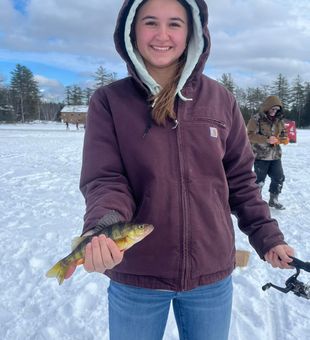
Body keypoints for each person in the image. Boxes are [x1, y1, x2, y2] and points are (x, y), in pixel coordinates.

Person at [65, 1, 294, 339]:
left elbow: (241, 182)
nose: (162, 35)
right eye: (150, 22)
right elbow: (106, 179)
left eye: (174, 24)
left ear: (192, 33)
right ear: (131, 31)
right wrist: (103, 229)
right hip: (137, 276)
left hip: (211, 277)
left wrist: (268, 236)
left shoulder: (222, 100)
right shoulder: (109, 102)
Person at [247, 95, 289, 210]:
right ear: (267, 107)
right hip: (261, 156)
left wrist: (283, 138)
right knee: (259, 181)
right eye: (272, 109)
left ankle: (273, 200)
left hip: (275, 156)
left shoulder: (279, 120)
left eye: (277, 110)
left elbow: (282, 133)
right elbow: (249, 135)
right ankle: (256, 202)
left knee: (279, 177)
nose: (274, 112)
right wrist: (266, 139)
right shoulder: (256, 118)